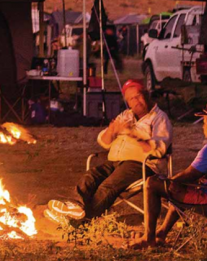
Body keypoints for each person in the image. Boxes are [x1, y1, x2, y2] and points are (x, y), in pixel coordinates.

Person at [44, 79, 172, 223]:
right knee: (90, 177)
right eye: (131, 99)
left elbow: (159, 150)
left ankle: (81, 221)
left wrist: (133, 134)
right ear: (127, 102)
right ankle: (75, 207)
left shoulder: (159, 118)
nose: (135, 101)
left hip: (142, 165)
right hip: (115, 162)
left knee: (108, 186)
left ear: (146, 95)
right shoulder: (126, 115)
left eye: (138, 96)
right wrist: (112, 130)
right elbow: (104, 142)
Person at [130, 100, 207, 249]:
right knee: (180, 188)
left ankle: (149, 238)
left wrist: (169, 182)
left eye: (204, 122)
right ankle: (162, 233)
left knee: (153, 183)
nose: (203, 126)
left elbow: (189, 175)